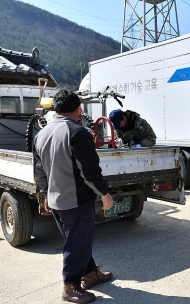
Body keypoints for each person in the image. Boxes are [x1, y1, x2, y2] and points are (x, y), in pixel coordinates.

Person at [33, 89, 114, 303]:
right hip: (76, 200)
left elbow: (39, 171)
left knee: (77, 241)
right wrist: (105, 194)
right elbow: (89, 171)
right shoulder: (77, 132)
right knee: (77, 244)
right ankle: (70, 287)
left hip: (57, 200)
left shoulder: (40, 134)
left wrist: (45, 195)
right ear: (79, 110)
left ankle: (90, 274)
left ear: (55, 109)